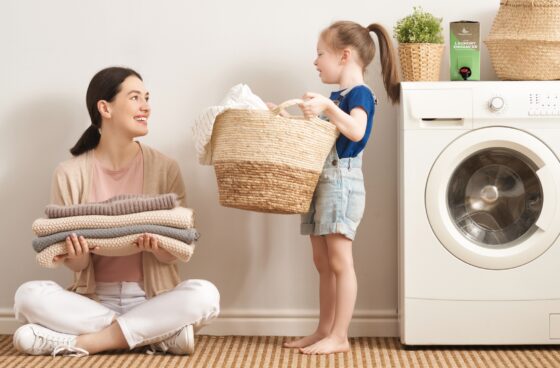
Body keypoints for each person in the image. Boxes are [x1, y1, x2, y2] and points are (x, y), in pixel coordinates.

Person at [12, 67, 220, 357]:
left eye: (147, 98)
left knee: (205, 295)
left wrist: (160, 247)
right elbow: (75, 265)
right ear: (104, 108)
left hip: (152, 299)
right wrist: (79, 253)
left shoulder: (165, 167)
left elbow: (178, 248)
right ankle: (154, 336)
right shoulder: (69, 173)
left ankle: (86, 343)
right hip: (92, 303)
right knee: (27, 297)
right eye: (135, 98)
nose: (146, 106)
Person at [286, 21, 400, 354]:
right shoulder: (337, 97)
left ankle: (340, 335)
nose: (315, 61)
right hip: (321, 185)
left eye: (320, 53)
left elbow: (355, 132)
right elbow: (321, 137)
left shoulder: (359, 94)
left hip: (341, 184)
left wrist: (328, 107)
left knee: (340, 262)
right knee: (322, 263)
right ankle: (324, 329)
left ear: (345, 55)